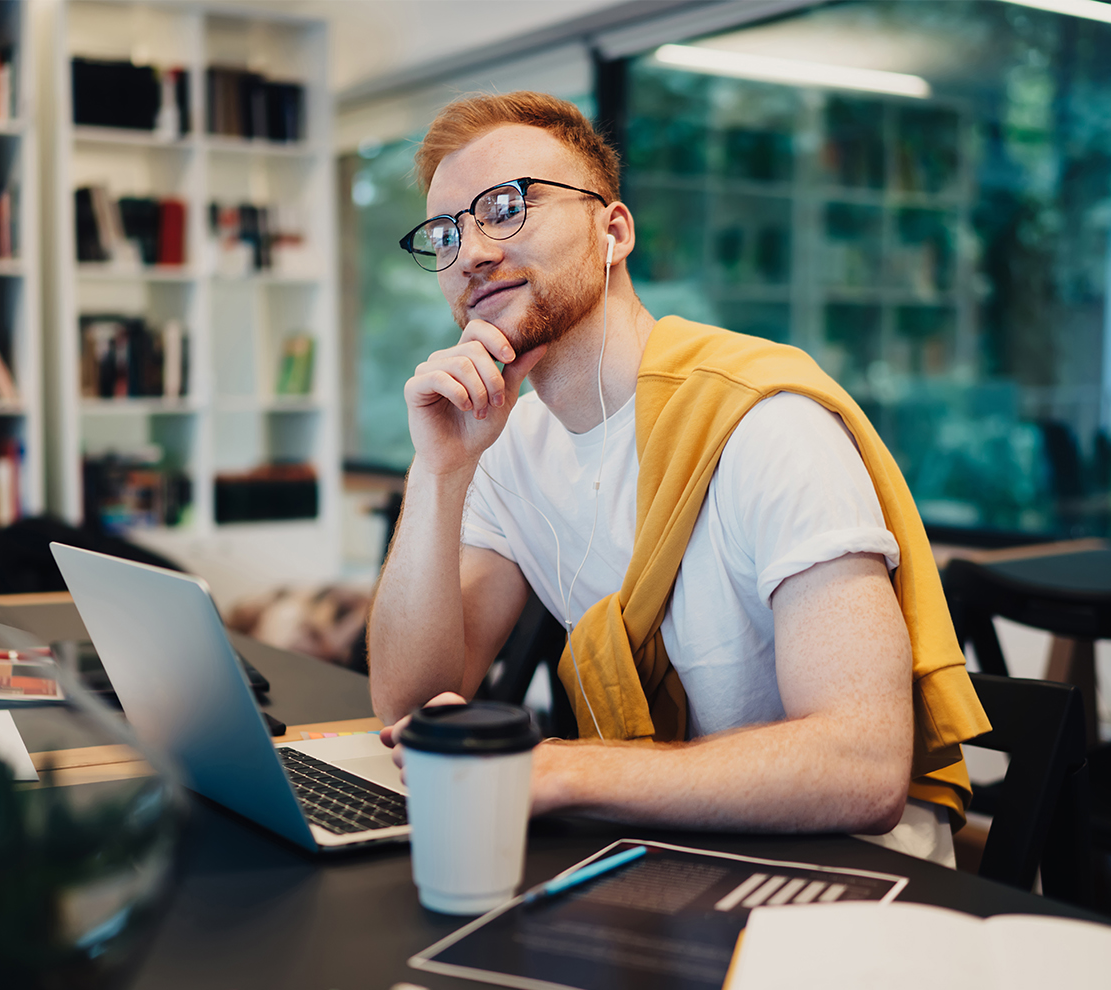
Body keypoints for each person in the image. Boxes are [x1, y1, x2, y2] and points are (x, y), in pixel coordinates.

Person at [367, 92, 988, 865]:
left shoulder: (765, 423)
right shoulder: (505, 445)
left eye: (506, 207)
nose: (473, 253)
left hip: (844, 872)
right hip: (657, 844)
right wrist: (439, 469)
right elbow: (413, 709)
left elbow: (860, 769)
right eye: (447, 232)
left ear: (612, 231)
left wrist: (561, 768)